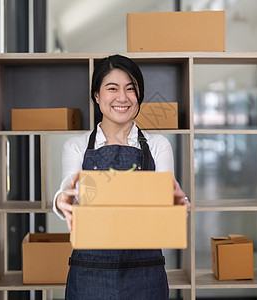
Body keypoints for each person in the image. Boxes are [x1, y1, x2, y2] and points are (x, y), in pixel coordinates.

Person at [53, 54, 190, 299]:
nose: (122, 97)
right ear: (96, 95)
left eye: (130, 89)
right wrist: (61, 200)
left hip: (145, 273)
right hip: (89, 275)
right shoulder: (77, 146)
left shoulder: (159, 146)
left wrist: (177, 207)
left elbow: (165, 198)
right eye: (112, 88)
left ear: (139, 96)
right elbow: (68, 188)